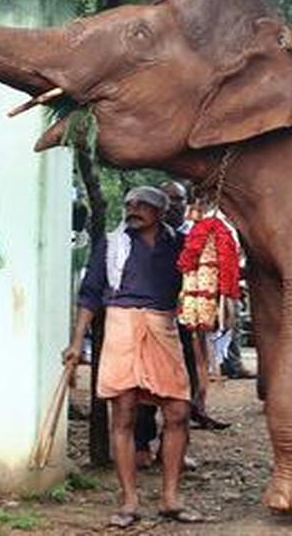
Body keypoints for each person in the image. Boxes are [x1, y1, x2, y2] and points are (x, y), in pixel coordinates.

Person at [63, 186, 203, 526]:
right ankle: (129, 501)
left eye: (143, 204)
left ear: (161, 211)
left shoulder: (180, 245)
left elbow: (197, 292)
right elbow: (91, 295)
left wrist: (201, 353)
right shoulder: (112, 244)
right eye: (129, 204)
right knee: (123, 412)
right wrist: (76, 342)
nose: (134, 208)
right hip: (121, 326)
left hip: (163, 327)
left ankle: (171, 498)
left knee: (178, 411)